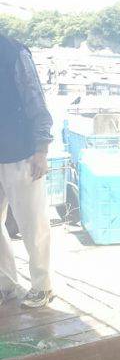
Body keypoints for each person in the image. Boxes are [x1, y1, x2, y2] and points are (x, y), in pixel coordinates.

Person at [0, 34, 54, 308]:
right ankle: (7, 284)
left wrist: (41, 149)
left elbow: (37, 101)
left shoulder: (13, 52)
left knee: (33, 224)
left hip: (22, 154)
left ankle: (42, 286)